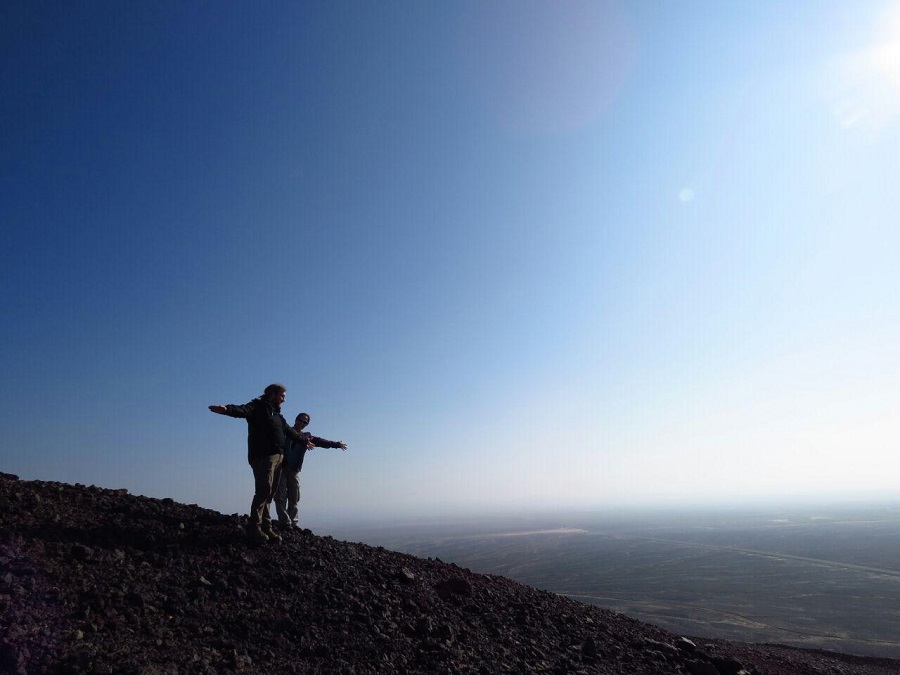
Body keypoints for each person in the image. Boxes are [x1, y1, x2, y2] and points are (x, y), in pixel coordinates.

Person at [209, 383, 308, 543]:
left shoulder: (277, 415)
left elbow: (289, 431)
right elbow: (243, 410)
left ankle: (267, 528)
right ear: (272, 394)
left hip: (278, 458)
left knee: (270, 494)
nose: (284, 399)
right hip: (263, 456)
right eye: (282, 396)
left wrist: (304, 441)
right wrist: (227, 409)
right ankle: (254, 528)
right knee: (263, 491)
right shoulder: (258, 407)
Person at [275, 412, 347, 532]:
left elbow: (321, 441)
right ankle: (285, 522)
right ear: (296, 419)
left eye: (305, 422)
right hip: (281, 468)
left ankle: (292, 523)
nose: (302, 423)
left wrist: (336, 444)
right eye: (301, 420)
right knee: (280, 496)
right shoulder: (285, 431)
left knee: (294, 497)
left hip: (294, 470)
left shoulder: (307, 436)